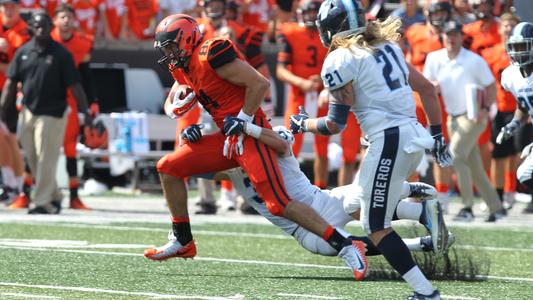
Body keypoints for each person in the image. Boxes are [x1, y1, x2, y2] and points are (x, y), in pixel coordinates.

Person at [145, 14, 369, 281]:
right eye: (166, 49)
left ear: (189, 38)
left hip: (250, 134)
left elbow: (259, 83)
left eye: (172, 46)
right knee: (168, 167)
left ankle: (346, 246)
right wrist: (192, 127)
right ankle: (183, 239)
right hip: (226, 136)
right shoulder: (181, 66)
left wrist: (243, 121)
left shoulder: (211, 52)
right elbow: (177, 102)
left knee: (277, 204)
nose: (169, 54)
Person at [290, 0, 452, 298]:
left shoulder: (341, 59)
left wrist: (303, 124)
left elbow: (334, 124)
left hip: (388, 140)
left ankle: (426, 292)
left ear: (333, 29)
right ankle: (415, 200)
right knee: (360, 204)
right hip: (412, 136)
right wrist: (439, 135)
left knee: (374, 224)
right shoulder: (389, 47)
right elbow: (428, 89)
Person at [180, 123, 454, 256]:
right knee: (349, 246)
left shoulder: (273, 141)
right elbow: (188, 167)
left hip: (322, 200)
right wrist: (192, 141)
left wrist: (249, 129)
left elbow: (279, 142)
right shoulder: (232, 167)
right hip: (302, 228)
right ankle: (421, 244)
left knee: (361, 202)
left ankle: (418, 207)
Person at [0, 11, 90, 214]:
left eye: (44, 25)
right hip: (28, 110)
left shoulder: (61, 54)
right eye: (37, 26)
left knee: (46, 157)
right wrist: (3, 108)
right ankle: (55, 195)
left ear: (51, 28)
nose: (41, 29)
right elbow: (11, 83)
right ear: (31, 28)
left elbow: (75, 85)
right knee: (31, 156)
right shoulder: (24, 52)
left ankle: (43, 202)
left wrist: (87, 111)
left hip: (54, 112)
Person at [424, 20, 505, 222]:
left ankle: (467, 207)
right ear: (442, 36)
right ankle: (496, 207)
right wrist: (433, 88)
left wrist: (485, 109)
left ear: (461, 36)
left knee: (455, 155)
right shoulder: (435, 58)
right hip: (452, 117)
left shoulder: (474, 60)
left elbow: (491, 87)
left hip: (473, 116)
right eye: (447, 34)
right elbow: (428, 86)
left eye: (455, 34)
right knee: (474, 166)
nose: (451, 38)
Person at [276, 0, 330, 188]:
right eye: (308, 12)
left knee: (322, 147)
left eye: (315, 12)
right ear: (300, 13)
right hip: (299, 94)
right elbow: (280, 70)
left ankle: (321, 187)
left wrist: (322, 81)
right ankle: (288, 188)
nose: (311, 16)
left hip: (323, 94)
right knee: (290, 144)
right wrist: (302, 82)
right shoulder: (290, 32)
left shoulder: (329, 34)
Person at [52, 3, 98, 210]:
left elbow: (87, 77)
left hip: (70, 100)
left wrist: (92, 102)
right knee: (42, 149)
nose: (66, 20)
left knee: (70, 148)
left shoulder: (83, 43)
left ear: (75, 20)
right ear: (55, 20)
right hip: (48, 99)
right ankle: (30, 192)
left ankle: (73, 196)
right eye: (62, 16)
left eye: (69, 17)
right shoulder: (47, 38)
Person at [481, 13, 521, 209]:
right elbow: (483, 83)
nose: (508, 29)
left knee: (517, 155)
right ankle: (496, 195)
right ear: (499, 28)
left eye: (512, 25)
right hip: (500, 109)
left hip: (520, 110)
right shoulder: (491, 53)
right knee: (498, 155)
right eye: (505, 25)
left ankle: (511, 191)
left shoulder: (525, 51)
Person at [497, 22, 533, 213]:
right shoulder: (510, 76)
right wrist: (513, 124)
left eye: (523, 47)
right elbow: (523, 103)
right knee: (525, 173)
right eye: (516, 47)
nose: (518, 52)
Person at [0, 0, 30, 205]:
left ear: (19, 7)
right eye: (4, 6)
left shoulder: (24, 32)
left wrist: (2, 54)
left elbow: (18, 68)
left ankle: (14, 184)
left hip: (8, 92)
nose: (8, 9)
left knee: (8, 138)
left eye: (11, 5)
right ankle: (13, 184)